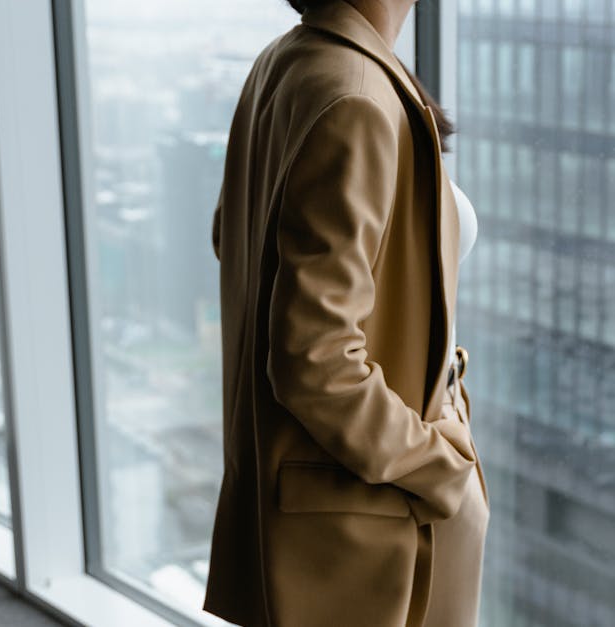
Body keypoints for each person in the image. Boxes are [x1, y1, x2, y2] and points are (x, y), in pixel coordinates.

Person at [202, 0, 489, 625]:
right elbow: (315, 361)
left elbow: (233, 239)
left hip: (345, 493)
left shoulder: (288, 63)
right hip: (376, 506)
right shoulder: (356, 97)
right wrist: (438, 466)